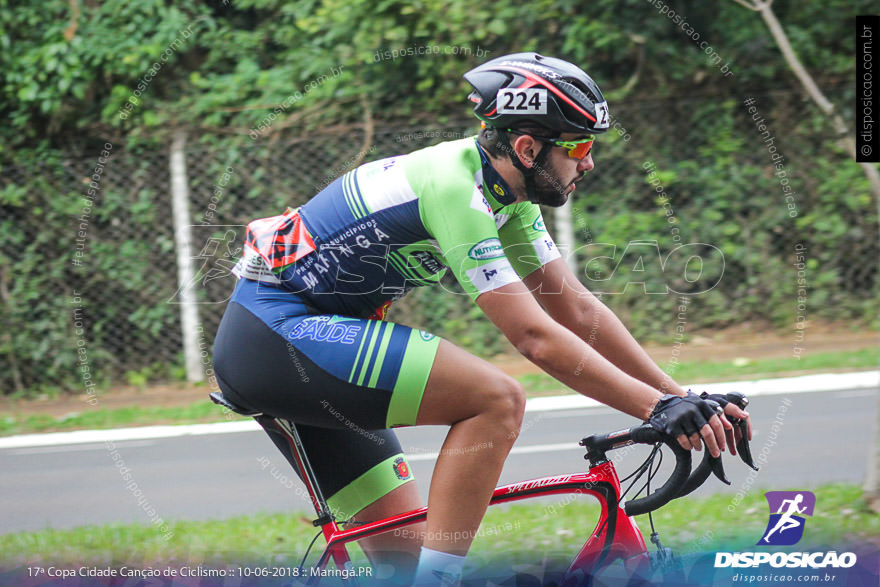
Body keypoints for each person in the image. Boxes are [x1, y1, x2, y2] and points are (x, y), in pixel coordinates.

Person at [212, 52, 752, 584]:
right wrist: (657, 408)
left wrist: (681, 397)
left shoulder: (507, 195)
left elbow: (574, 307)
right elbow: (535, 337)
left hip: (302, 344)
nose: (589, 163)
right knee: (496, 400)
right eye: (581, 147)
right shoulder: (455, 188)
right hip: (275, 335)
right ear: (526, 147)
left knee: (403, 567)